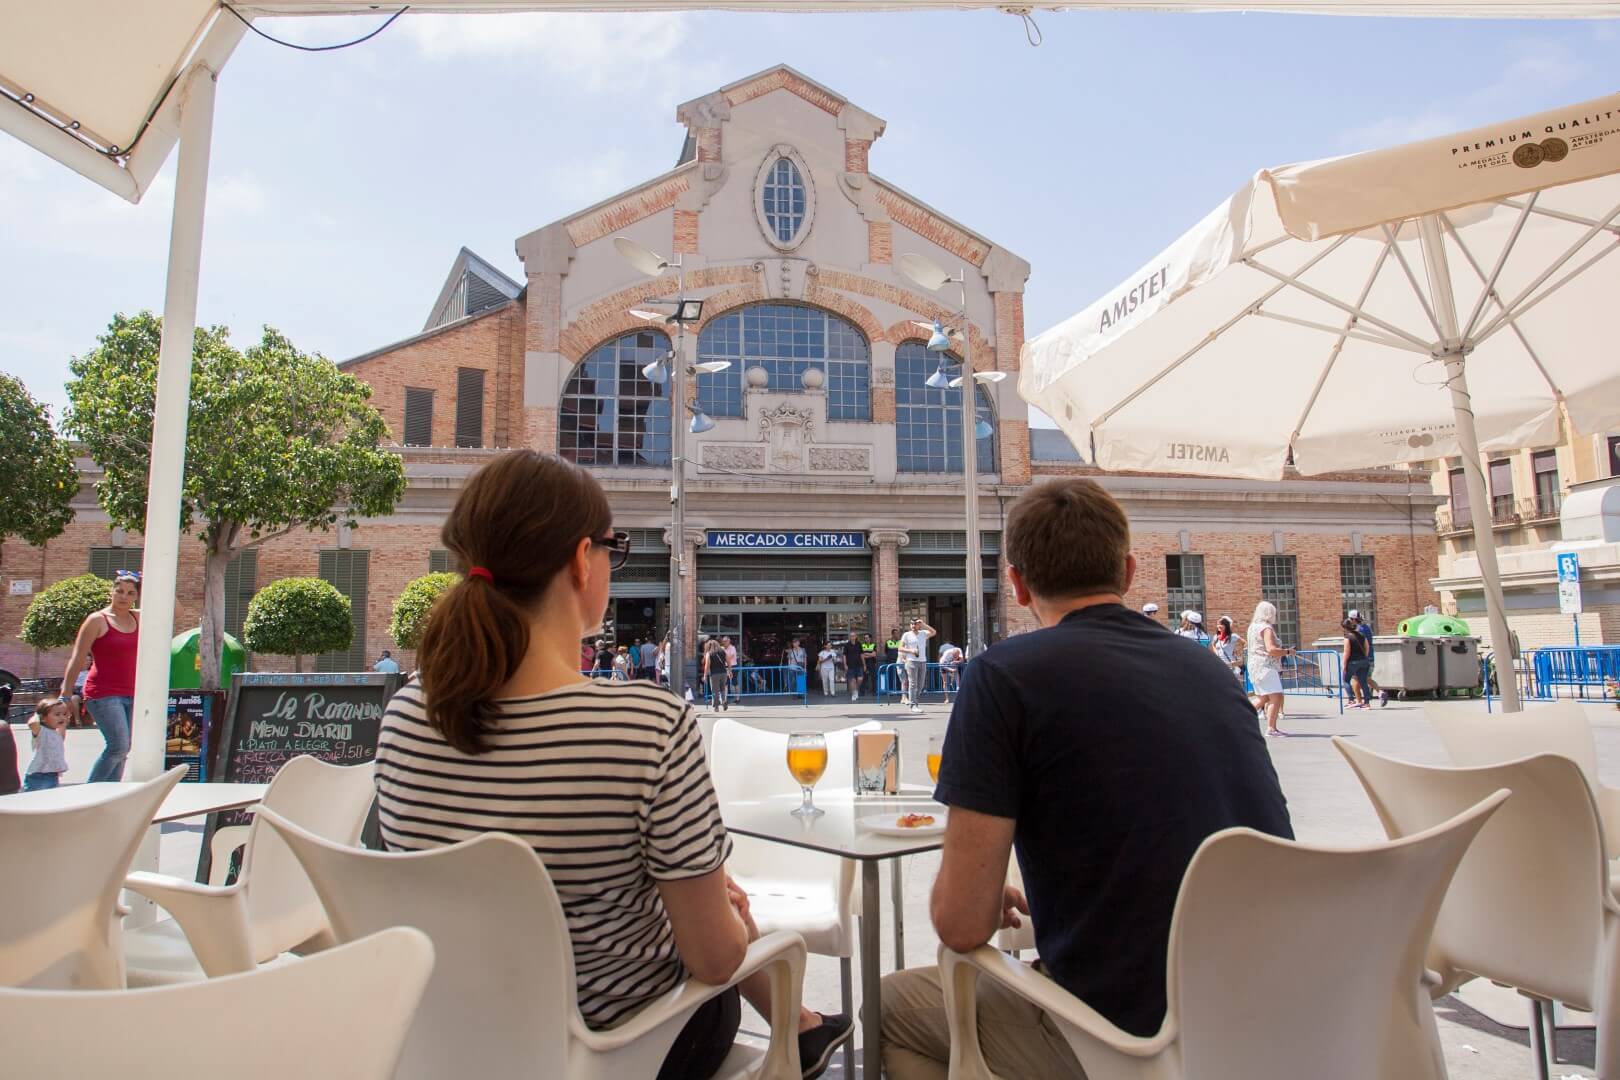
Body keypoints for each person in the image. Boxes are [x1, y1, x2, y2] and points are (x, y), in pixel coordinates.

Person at [372, 451, 850, 1079]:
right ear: (579, 559)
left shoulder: (407, 714)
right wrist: (733, 918)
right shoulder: (648, 725)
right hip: (628, 1047)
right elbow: (714, 960)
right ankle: (802, 1028)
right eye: (611, 547)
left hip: (459, 1040)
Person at [880, 478, 1292, 1079]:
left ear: (1017, 585)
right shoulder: (1209, 668)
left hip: (1128, 1035)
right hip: (1270, 1015)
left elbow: (961, 925)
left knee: (891, 1008)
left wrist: (975, 891)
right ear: (1127, 573)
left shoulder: (1002, 678)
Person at [61, 570, 141, 783]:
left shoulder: (138, 616)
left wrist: (157, 579)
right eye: (120, 591)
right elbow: (78, 658)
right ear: (111, 591)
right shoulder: (97, 620)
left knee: (124, 749)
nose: (124, 596)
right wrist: (65, 694)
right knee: (118, 746)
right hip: (103, 693)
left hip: (133, 693)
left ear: (136, 596)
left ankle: (109, 797)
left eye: (130, 593)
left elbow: (175, 612)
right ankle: (91, 794)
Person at [1247, 601, 1293, 737]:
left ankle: (1238, 715)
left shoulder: (1252, 627)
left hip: (1255, 664)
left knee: (1263, 698)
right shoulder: (1266, 628)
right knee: (1276, 696)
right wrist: (1288, 652)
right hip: (1266, 665)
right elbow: (1271, 649)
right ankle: (1271, 728)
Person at [24, 696, 72, 791]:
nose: (62, 717)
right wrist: (38, 715)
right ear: (43, 718)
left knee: (49, 801)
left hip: (53, 775)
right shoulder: (41, 731)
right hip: (37, 775)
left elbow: (63, 726)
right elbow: (32, 723)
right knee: (34, 801)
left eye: (64, 714)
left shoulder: (58, 733)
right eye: (57, 714)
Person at [1349, 609, 1388, 706]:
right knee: (1365, 678)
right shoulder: (1367, 628)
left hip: (1361, 658)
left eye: (1350, 619)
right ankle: (1380, 692)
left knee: (1355, 678)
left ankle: (1360, 701)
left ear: (1354, 619)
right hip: (1370, 657)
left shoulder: (1359, 630)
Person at [899, 617, 935, 714]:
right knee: (913, 684)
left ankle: (915, 702)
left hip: (922, 661)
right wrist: (911, 650)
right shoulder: (906, 635)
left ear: (918, 625)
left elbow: (934, 632)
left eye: (915, 624)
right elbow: (900, 648)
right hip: (911, 661)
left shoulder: (923, 633)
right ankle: (913, 705)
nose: (913, 626)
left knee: (920, 684)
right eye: (911, 624)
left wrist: (924, 624)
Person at [1342, 617, 1373, 709]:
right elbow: (1367, 648)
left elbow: (1346, 652)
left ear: (1345, 628)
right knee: (1363, 682)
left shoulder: (1347, 637)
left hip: (1352, 662)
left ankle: (1351, 700)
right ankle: (1367, 703)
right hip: (1364, 661)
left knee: (1346, 680)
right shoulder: (1362, 635)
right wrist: (1364, 658)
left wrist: (1344, 665)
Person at [1209, 616, 1246, 683]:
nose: (1218, 626)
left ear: (1226, 626)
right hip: (1219, 664)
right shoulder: (1216, 637)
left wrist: (1238, 651)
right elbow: (1213, 644)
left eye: (1221, 624)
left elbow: (1245, 643)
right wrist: (1216, 652)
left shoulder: (1233, 636)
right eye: (1217, 624)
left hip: (1231, 665)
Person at [704, 639, 731, 712]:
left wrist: (705, 675)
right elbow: (728, 661)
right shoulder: (723, 651)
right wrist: (730, 671)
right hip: (723, 673)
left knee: (715, 690)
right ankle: (724, 700)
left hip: (714, 674)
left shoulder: (709, 653)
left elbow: (707, 665)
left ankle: (716, 707)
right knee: (722, 689)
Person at [843, 632, 866, 702]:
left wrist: (864, 664)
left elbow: (862, 655)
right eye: (851, 636)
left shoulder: (859, 644)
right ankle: (854, 693)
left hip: (859, 665)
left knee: (860, 679)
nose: (852, 637)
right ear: (849, 637)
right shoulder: (847, 645)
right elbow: (844, 656)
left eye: (853, 636)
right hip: (850, 665)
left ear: (856, 636)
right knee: (852, 680)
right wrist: (845, 664)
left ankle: (856, 690)